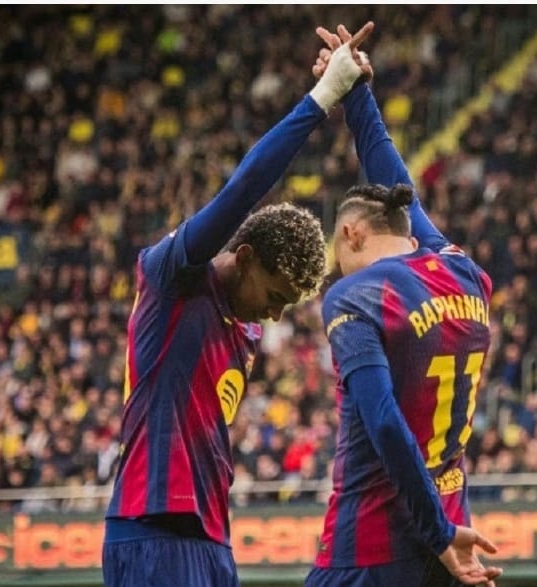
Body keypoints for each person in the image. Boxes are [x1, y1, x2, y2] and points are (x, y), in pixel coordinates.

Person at [102, 23, 376, 587]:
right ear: (244, 257)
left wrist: (359, 101)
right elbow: (242, 190)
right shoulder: (174, 277)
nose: (273, 317)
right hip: (151, 528)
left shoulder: (244, 329)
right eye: (274, 297)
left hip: (210, 535)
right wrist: (323, 98)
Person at [305, 25, 502, 587]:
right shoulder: (465, 273)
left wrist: (435, 532)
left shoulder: (356, 296)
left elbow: (387, 426)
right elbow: (396, 181)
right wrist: (355, 91)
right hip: (451, 536)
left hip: (373, 544)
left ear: (351, 233)